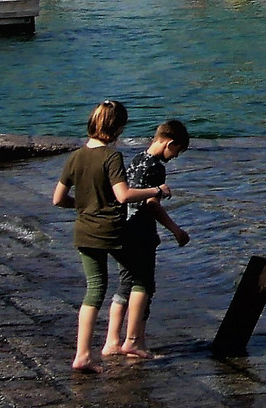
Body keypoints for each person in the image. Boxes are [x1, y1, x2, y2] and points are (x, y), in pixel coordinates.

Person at [51, 100, 169, 374]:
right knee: (140, 278)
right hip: (111, 232)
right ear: (117, 128)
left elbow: (58, 199)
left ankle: (83, 354)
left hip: (83, 231)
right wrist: (157, 191)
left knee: (94, 290)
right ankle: (131, 342)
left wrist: (84, 205)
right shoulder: (111, 157)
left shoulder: (75, 156)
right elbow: (123, 195)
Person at [107, 120, 192, 361]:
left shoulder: (135, 159)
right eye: (177, 151)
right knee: (143, 285)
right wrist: (176, 230)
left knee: (124, 284)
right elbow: (151, 204)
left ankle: (112, 340)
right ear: (169, 143)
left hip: (123, 229)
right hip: (141, 232)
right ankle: (134, 341)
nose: (175, 156)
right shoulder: (156, 167)